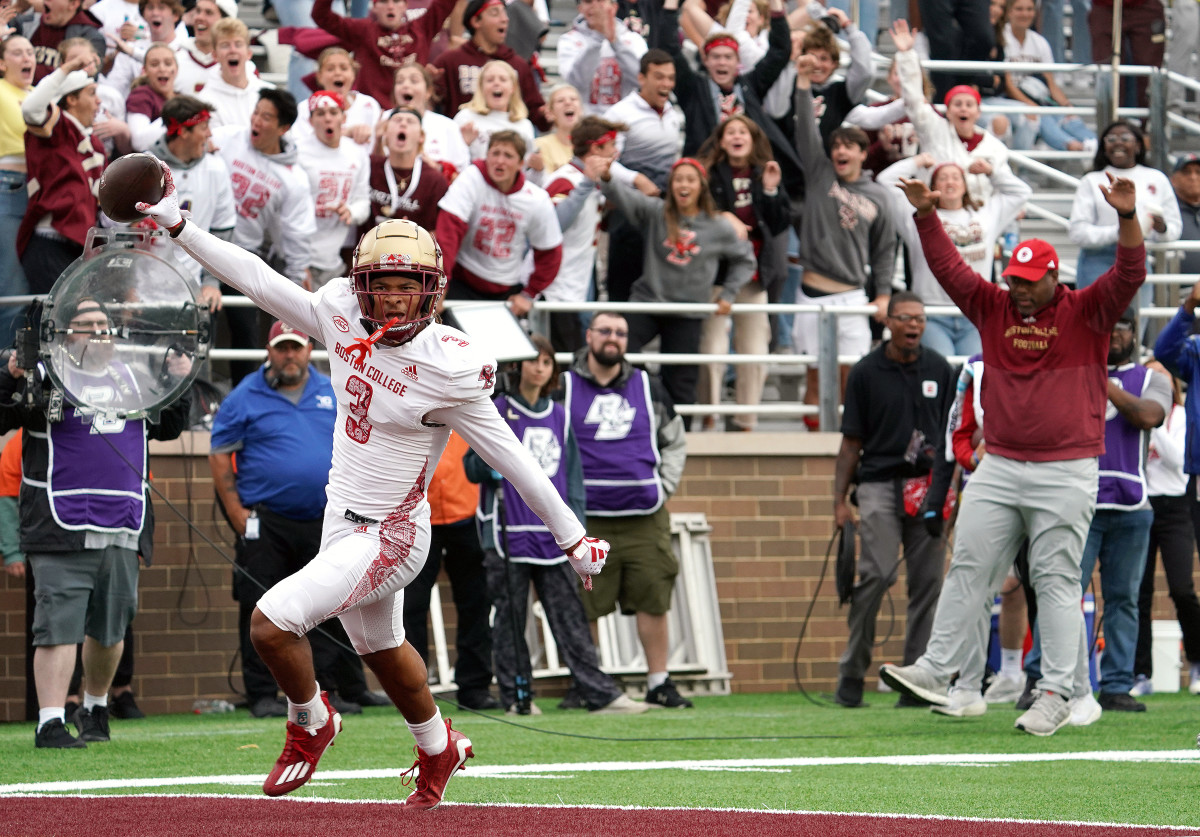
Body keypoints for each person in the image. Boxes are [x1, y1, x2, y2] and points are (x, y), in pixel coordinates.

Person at [137, 172, 610, 803]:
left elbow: (513, 456)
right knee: (380, 646)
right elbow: (258, 280)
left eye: (404, 286)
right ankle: (440, 748)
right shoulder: (338, 312)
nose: (390, 299)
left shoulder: (450, 365)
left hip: (393, 530)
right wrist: (179, 226)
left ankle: (312, 721)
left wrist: (572, 538)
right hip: (343, 514)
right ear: (360, 286)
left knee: (271, 623)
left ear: (430, 291)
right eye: (379, 285)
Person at [880, 171, 1147, 737]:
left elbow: (1130, 274)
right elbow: (950, 270)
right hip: (999, 463)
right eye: (1014, 280)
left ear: (1055, 276)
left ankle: (1056, 693)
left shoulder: (1088, 313)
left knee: (1054, 580)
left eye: (1030, 281)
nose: (1020, 290)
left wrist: (1127, 219)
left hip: (1067, 467)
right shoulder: (993, 306)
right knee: (969, 567)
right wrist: (928, 215)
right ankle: (937, 668)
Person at [0, 298, 192, 748]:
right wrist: (10, 374)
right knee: (57, 624)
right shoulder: (43, 373)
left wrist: (180, 381)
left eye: (103, 324)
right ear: (64, 333)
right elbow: (5, 414)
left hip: (124, 521)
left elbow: (168, 428)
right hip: (58, 521)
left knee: (111, 627)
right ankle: (50, 720)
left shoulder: (135, 378)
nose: (97, 332)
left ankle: (95, 707)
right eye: (85, 325)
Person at [465, 333, 648, 716]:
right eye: (533, 359)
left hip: (552, 538)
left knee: (570, 617)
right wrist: (492, 462)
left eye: (546, 361)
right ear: (518, 365)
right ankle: (518, 697)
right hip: (506, 533)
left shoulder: (561, 416)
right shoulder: (496, 409)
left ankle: (599, 693)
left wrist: (576, 530)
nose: (539, 367)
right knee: (510, 619)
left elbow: (573, 478)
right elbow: (472, 467)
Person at [210, 321, 382, 718]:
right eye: (282, 348)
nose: (290, 355)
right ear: (269, 352)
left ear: (310, 350)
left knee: (326, 602)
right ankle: (262, 693)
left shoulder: (332, 390)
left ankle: (328, 689)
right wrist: (237, 513)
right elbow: (219, 452)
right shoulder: (244, 396)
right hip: (267, 522)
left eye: (297, 347)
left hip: (325, 519)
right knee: (260, 606)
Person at [1020, 308, 1169, 714]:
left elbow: (1148, 416)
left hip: (1131, 504)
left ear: (1135, 333)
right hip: (1075, 502)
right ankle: (1040, 679)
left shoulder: (1152, 378)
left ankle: (1117, 685)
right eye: (1108, 328)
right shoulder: (1069, 373)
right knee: (1060, 594)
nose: (1115, 335)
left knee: (1123, 599)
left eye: (1122, 327)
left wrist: (1099, 381)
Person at [831, 291, 954, 708]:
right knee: (877, 575)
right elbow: (851, 443)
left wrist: (949, 488)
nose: (914, 326)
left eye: (920, 318)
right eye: (905, 318)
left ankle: (916, 679)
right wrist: (839, 502)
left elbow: (953, 435)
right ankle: (852, 672)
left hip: (929, 486)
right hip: (879, 483)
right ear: (888, 322)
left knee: (929, 584)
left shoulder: (940, 367)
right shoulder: (866, 371)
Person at [561, 311, 690, 708]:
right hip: (587, 519)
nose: (613, 338)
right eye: (605, 331)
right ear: (589, 336)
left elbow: (675, 441)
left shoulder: (648, 385)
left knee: (653, 597)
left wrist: (663, 487)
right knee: (586, 605)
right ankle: (589, 684)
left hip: (644, 516)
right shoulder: (563, 386)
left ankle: (659, 681)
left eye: (620, 332)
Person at [598, 154, 757, 421]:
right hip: (648, 301)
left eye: (690, 180)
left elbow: (745, 261)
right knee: (623, 348)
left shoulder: (719, 226)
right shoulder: (656, 212)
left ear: (701, 186)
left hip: (688, 311)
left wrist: (728, 294)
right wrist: (606, 176)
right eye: (678, 179)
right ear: (671, 185)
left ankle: (680, 437)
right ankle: (649, 395)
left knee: (682, 381)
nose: (684, 185)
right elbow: (625, 197)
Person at [792, 55, 897, 429]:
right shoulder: (820, 174)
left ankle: (847, 445)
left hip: (853, 294)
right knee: (813, 377)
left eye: (849, 147)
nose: (840, 151)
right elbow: (805, 129)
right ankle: (810, 447)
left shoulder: (880, 196)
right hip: (811, 292)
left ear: (862, 153)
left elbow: (886, 250)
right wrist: (803, 84)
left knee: (851, 379)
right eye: (836, 146)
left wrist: (883, 293)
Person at [876, 153, 1030, 358]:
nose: (950, 182)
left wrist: (992, 171)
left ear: (965, 186)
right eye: (943, 177)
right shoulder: (917, 215)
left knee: (973, 372)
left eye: (956, 177)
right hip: (932, 313)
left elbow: (1022, 192)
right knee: (945, 370)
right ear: (931, 187)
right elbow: (885, 180)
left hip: (975, 313)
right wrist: (919, 161)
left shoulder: (986, 215)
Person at [213, 88, 316, 382]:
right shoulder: (228, 138)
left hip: (242, 254)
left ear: (283, 128)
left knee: (245, 330)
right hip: (201, 242)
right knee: (200, 324)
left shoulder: (294, 179)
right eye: (256, 112)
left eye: (266, 117)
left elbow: (298, 234)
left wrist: (296, 282)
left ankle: (243, 394)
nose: (256, 121)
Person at [697, 114, 790, 432]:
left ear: (753, 140)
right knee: (712, 350)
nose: (737, 137)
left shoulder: (767, 172)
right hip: (716, 278)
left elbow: (779, 224)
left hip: (755, 278)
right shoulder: (707, 174)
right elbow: (692, 214)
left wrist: (771, 190)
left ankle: (745, 419)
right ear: (721, 140)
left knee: (755, 351)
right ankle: (710, 415)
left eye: (743, 132)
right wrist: (724, 217)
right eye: (731, 132)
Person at [402, 429, 498, 710]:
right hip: (418, 515)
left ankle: (475, 686)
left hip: (469, 514)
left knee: (476, 605)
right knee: (410, 606)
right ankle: (411, 689)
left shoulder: (470, 394)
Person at [435, 130, 562, 316]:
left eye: (508, 155)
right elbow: (449, 230)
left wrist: (529, 294)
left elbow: (551, 251)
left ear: (521, 163)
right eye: (495, 153)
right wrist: (440, 284)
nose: (500, 161)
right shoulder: (472, 177)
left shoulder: (536, 199)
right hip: (463, 281)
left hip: (506, 290)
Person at [1132, 360, 1200, 697]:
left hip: (1176, 508)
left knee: (1182, 588)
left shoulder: (1181, 417)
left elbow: (1178, 463)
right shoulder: (1131, 419)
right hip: (1143, 505)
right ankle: (1140, 672)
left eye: (1162, 375)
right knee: (1139, 592)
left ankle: (1197, 663)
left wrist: (1154, 421)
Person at [17, 58, 104, 302]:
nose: (98, 101)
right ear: (71, 99)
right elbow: (30, 109)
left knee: (75, 321)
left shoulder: (94, 143)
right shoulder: (57, 125)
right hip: (49, 238)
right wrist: (65, 70)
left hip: (81, 245)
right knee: (50, 319)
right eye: (91, 93)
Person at [600, 48, 683, 302]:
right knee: (623, 280)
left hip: (664, 209)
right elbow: (603, 161)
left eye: (670, 78)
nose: (666, 84)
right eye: (659, 77)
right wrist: (636, 179)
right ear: (641, 78)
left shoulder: (676, 114)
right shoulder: (619, 114)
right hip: (628, 209)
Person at [542, 115, 623, 353]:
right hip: (557, 287)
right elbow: (552, 227)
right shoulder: (564, 179)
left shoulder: (593, 181)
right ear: (596, 148)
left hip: (579, 283)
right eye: (611, 146)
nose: (615, 152)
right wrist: (587, 184)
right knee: (564, 356)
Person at [1069, 120, 1180, 293]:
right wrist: (1123, 232)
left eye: (1125, 138)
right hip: (1097, 262)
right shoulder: (1091, 180)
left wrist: (1161, 228)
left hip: (1137, 258)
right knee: (1094, 319)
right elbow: (1077, 232)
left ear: (1138, 145)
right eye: (1111, 139)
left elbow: (1174, 228)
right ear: (1104, 146)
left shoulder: (1157, 178)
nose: (1118, 142)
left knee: (1136, 318)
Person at [149, 94, 234, 314]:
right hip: (143, 292)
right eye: (203, 127)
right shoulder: (143, 168)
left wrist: (212, 282)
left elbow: (222, 233)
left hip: (193, 293)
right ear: (184, 132)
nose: (210, 134)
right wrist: (127, 284)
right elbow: (120, 230)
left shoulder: (216, 169)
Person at [311, 0, 458, 106]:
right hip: (373, 115)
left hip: (414, 113)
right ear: (374, 7)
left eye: (396, 1)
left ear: (405, 6)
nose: (390, 6)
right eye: (383, 1)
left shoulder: (421, 28)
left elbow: (445, 4)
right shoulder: (363, 31)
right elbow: (321, 15)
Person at [432, 0, 548, 131]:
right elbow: (431, 105)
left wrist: (547, 114)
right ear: (476, 21)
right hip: (464, 142)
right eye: (495, 13)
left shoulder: (518, 65)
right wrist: (429, 83)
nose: (505, 19)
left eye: (505, 13)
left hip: (508, 144)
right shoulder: (450, 61)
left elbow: (538, 116)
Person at [295, 90, 371, 289]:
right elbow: (284, 210)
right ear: (310, 121)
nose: (327, 118)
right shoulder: (296, 151)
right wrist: (297, 262)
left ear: (344, 118)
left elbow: (363, 201)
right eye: (320, 114)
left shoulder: (357, 153)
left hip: (332, 259)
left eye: (333, 112)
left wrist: (351, 212)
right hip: (297, 257)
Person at [999, 0, 1095, 152]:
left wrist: (1067, 106)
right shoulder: (1002, 38)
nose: (1025, 14)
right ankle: (1070, 145)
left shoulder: (1040, 41)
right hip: (1011, 98)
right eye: (1019, 9)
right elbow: (1008, 85)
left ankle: (1093, 142)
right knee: (1041, 116)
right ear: (1009, 12)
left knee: (1068, 117)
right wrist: (1032, 105)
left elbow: (1050, 83)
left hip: (1039, 97)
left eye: (1029, 9)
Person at [0, 34, 36, 349]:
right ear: (1, 63)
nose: (27, 57)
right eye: (16, 53)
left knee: (31, 290)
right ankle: (4, 375)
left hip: (42, 194)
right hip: (7, 188)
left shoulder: (41, 93)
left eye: (30, 51)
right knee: (12, 289)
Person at [365, 106, 448, 235]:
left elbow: (437, 234)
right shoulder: (368, 167)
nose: (403, 123)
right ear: (385, 133)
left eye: (410, 121)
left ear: (421, 136)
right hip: (368, 252)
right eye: (397, 120)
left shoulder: (434, 181)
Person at [557, 0, 647, 115]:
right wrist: (598, 38)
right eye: (588, 1)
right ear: (580, 9)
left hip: (625, 121)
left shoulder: (634, 40)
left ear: (614, 7)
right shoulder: (569, 40)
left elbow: (642, 80)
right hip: (586, 123)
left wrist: (616, 43)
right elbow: (577, 81)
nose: (595, 6)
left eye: (600, 0)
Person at [292, 48, 383, 149]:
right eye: (330, 69)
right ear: (319, 77)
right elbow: (300, 145)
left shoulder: (368, 104)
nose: (337, 73)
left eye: (344, 68)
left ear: (354, 74)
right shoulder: (305, 108)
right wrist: (347, 133)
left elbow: (378, 145)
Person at [390, 63, 470, 178]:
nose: (405, 85)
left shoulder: (448, 126)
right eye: (400, 81)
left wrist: (436, 168)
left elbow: (461, 176)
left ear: (428, 92)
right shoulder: (383, 121)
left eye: (414, 81)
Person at [450, 59, 536, 162]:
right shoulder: (466, 117)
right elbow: (450, 160)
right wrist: (464, 144)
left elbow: (525, 169)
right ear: (481, 87)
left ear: (513, 87)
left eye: (503, 80)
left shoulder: (524, 125)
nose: (496, 83)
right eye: (490, 80)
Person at [200, 18, 273, 130]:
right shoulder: (205, 101)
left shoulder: (270, 93)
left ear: (248, 53)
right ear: (215, 56)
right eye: (225, 45)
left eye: (238, 45)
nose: (232, 50)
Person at [15, 0, 105, 83]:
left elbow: (85, 81)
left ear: (73, 4)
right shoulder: (24, 22)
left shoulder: (90, 38)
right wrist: (15, 10)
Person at [124, 43, 177, 150]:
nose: (162, 69)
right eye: (154, 64)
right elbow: (138, 141)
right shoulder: (141, 95)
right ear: (145, 71)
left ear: (176, 69)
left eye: (168, 63)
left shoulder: (181, 97)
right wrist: (178, 118)